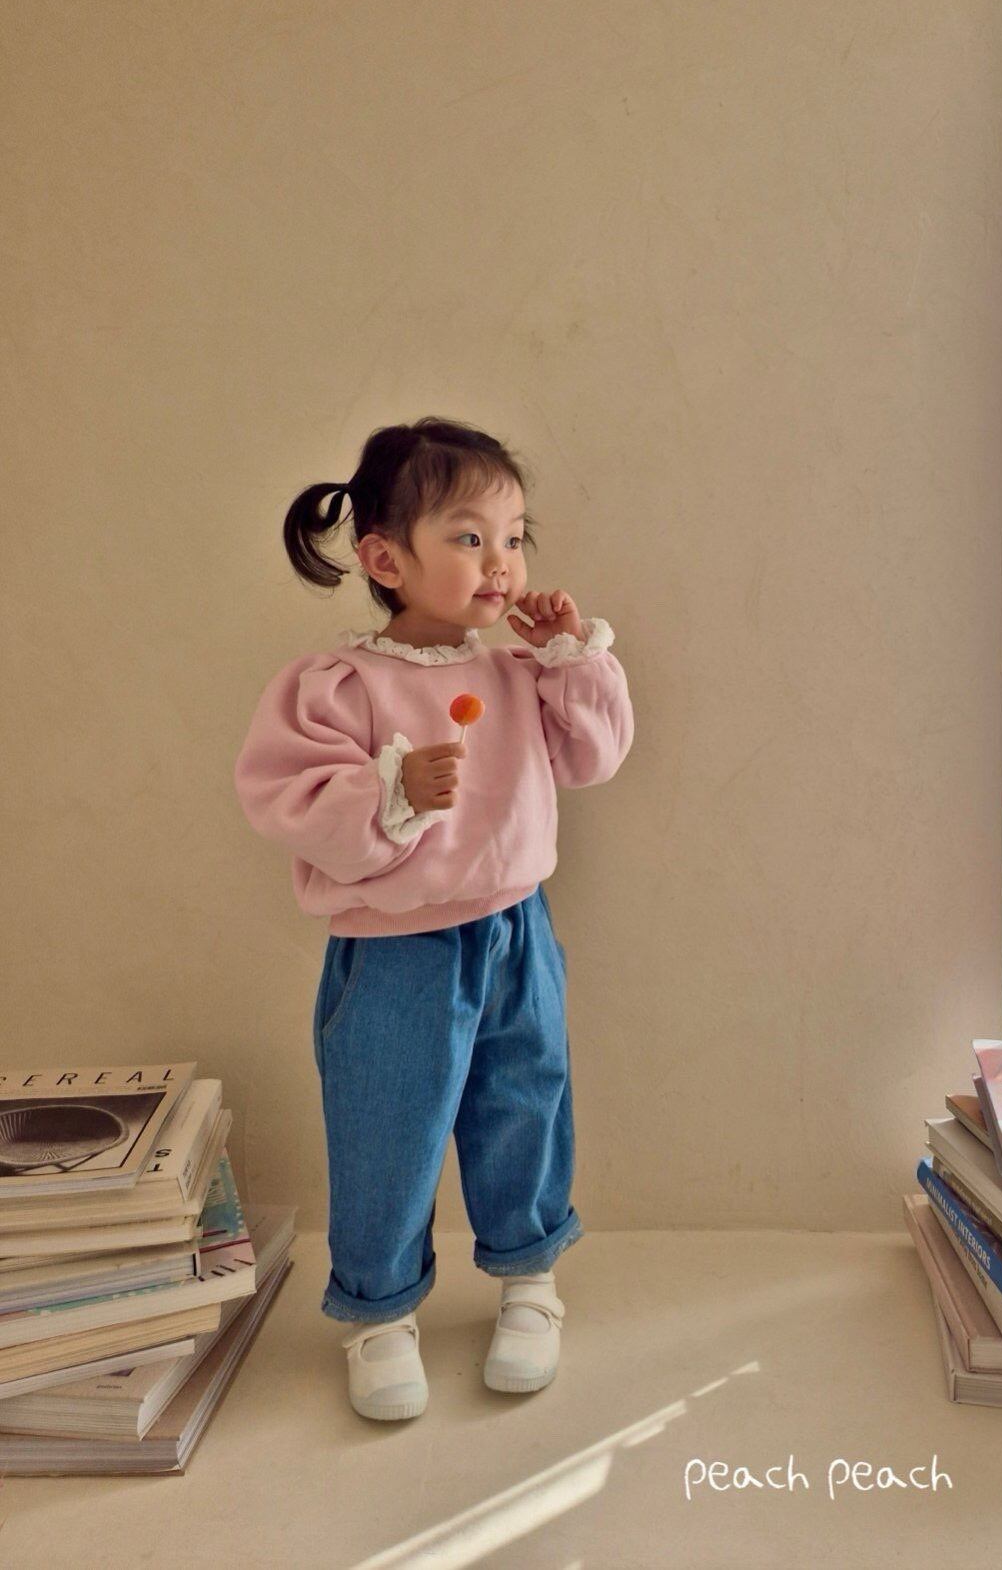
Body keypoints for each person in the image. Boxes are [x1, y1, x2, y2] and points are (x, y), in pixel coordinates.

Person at [233, 415, 634, 1421]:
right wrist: (392, 788)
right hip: (393, 954)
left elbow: (594, 757)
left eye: (513, 537)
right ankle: (378, 1313)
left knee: (524, 1103)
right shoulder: (340, 686)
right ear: (385, 559)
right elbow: (284, 796)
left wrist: (569, 657)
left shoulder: (518, 672)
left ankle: (530, 1279)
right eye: (468, 537)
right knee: (386, 1127)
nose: (500, 562)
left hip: (515, 933)